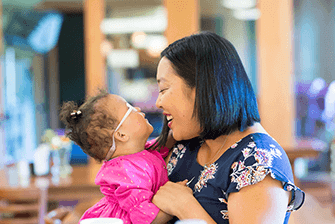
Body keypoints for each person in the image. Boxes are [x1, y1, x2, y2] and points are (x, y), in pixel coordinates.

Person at [151, 31, 305, 224]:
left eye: (164, 89)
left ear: (202, 88)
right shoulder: (186, 144)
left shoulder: (257, 161)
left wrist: (185, 206)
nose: (158, 102)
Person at [59, 91, 173, 224]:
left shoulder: (141, 154)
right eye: (130, 109)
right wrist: (177, 205)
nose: (137, 109)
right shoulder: (126, 172)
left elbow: (165, 142)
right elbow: (147, 218)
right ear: (121, 135)